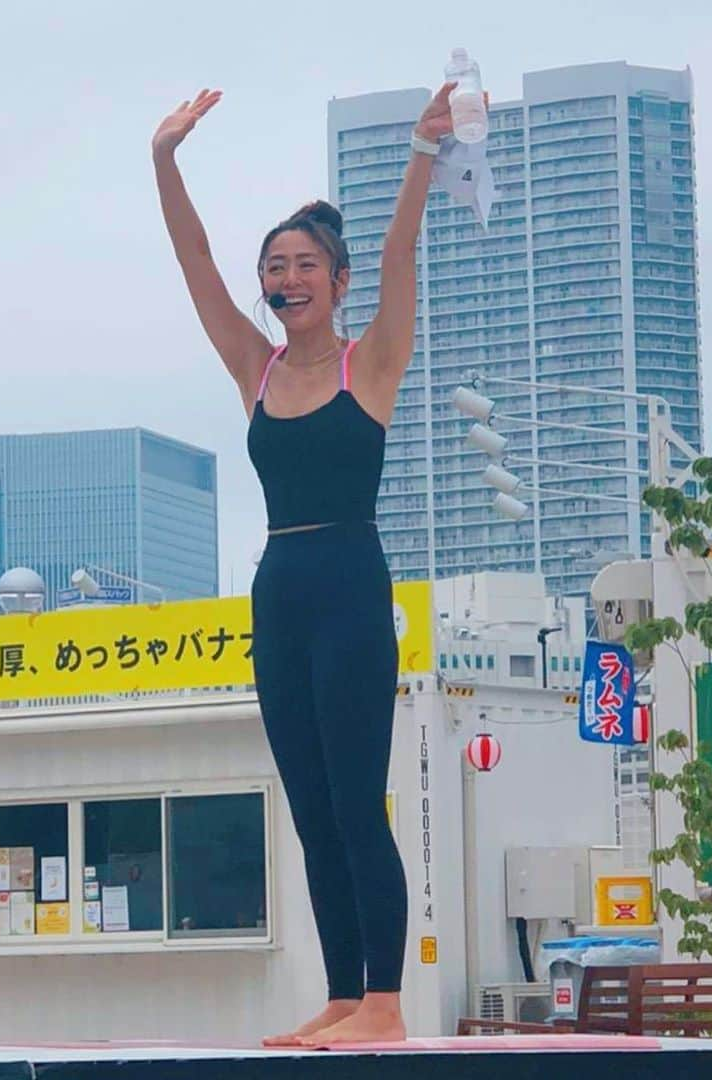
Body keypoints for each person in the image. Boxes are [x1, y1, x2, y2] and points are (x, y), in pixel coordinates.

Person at [151, 82, 473, 1046]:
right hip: (277, 591)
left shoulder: (366, 365)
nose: (286, 278)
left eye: (304, 266)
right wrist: (165, 161)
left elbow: (400, 252)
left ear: (335, 283)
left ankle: (386, 1000)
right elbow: (195, 262)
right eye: (275, 267)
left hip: (348, 584)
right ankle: (344, 994)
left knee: (357, 798)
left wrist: (422, 149)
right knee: (311, 807)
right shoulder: (255, 367)